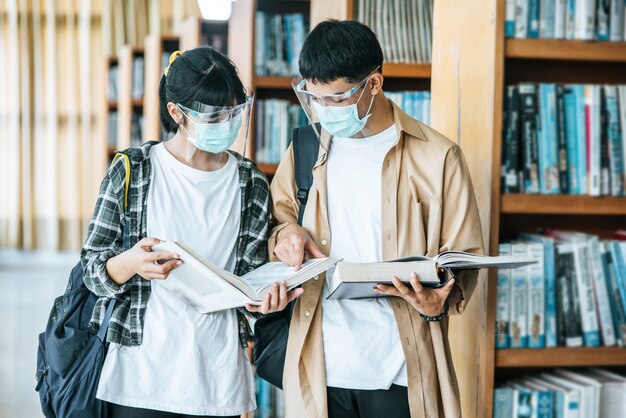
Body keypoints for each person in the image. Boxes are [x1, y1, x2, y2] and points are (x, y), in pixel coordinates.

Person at [269, 20, 484, 418]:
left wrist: (440, 298)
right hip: (320, 369)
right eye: (313, 98)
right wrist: (287, 233)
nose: (323, 110)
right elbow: (278, 220)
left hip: (403, 369)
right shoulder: (303, 148)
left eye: (336, 99)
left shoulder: (439, 157)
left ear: (374, 83)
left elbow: (464, 258)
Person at [81, 46, 301, 418]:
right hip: (138, 380)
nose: (226, 123)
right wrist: (132, 263)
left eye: (234, 112)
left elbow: (251, 285)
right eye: (213, 115)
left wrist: (266, 302)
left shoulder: (250, 182)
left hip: (218, 381)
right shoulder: (133, 170)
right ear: (176, 112)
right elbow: (91, 270)